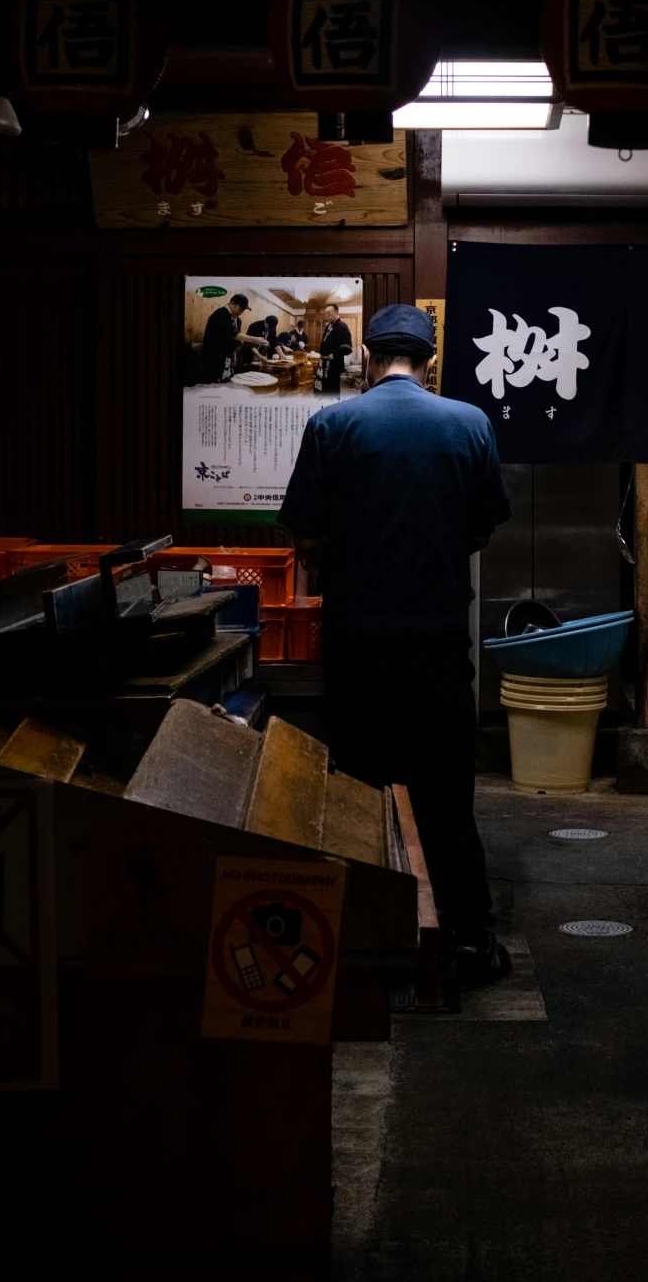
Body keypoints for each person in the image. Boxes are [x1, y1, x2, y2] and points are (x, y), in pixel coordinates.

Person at [279, 303, 513, 987]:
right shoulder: (469, 424)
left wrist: (350, 560)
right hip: (439, 645)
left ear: (368, 357)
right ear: (429, 360)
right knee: (446, 798)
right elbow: (479, 531)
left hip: (359, 646)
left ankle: (366, 948)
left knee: (361, 793)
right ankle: (469, 943)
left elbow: (306, 538)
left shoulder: (332, 424)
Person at [197, 293, 270, 383]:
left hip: (228, 357)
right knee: (214, 383)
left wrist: (234, 353)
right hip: (214, 356)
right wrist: (255, 339)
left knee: (227, 382)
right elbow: (233, 334)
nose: (242, 311)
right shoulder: (221, 314)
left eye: (244, 309)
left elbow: (236, 340)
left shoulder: (237, 320)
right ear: (232, 303)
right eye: (241, 308)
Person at [314, 303, 353, 396]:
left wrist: (335, 355)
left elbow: (348, 347)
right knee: (322, 387)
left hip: (333, 363)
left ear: (336, 312)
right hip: (323, 362)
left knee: (331, 388)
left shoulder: (343, 326)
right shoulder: (328, 326)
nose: (326, 315)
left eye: (329, 313)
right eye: (326, 313)